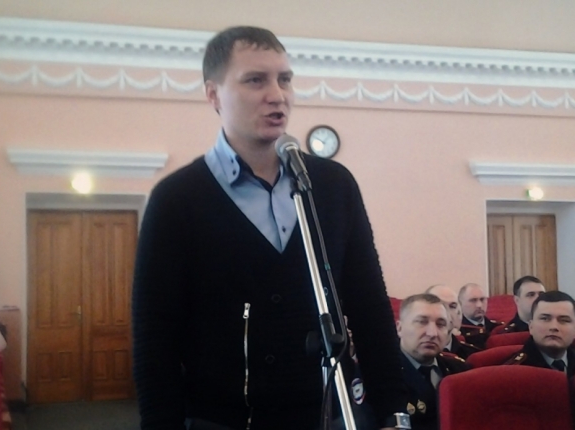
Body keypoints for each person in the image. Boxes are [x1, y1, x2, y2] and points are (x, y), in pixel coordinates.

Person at [132, 26, 407, 430]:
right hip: (223, 419)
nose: (278, 95)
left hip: (328, 414)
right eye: (255, 80)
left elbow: (370, 310)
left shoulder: (333, 186)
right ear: (213, 95)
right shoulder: (177, 199)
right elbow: (154, 338)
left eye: (285, 79)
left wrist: (394, 413)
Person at [397, 294, 469, 430]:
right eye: (422, 322)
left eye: (441, 325)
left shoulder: (459, 371)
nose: (432, 333)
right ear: (399, 328)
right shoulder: (380, 377)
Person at [505, 290, 575, 377]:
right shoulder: (512, 373)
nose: (554, 327)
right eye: (545, 319)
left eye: (564, 320)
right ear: (531, 326)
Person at [425, 285, 480, 359]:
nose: (447, 313)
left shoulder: (472, 355)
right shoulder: (415, 355)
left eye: (452, 306)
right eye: (440, 306)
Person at [458, 283, 502, 349]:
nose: (479, 305)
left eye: (482, 299)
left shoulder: (498, 328)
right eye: (473, 300)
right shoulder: (457, 333)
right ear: (460, 303)